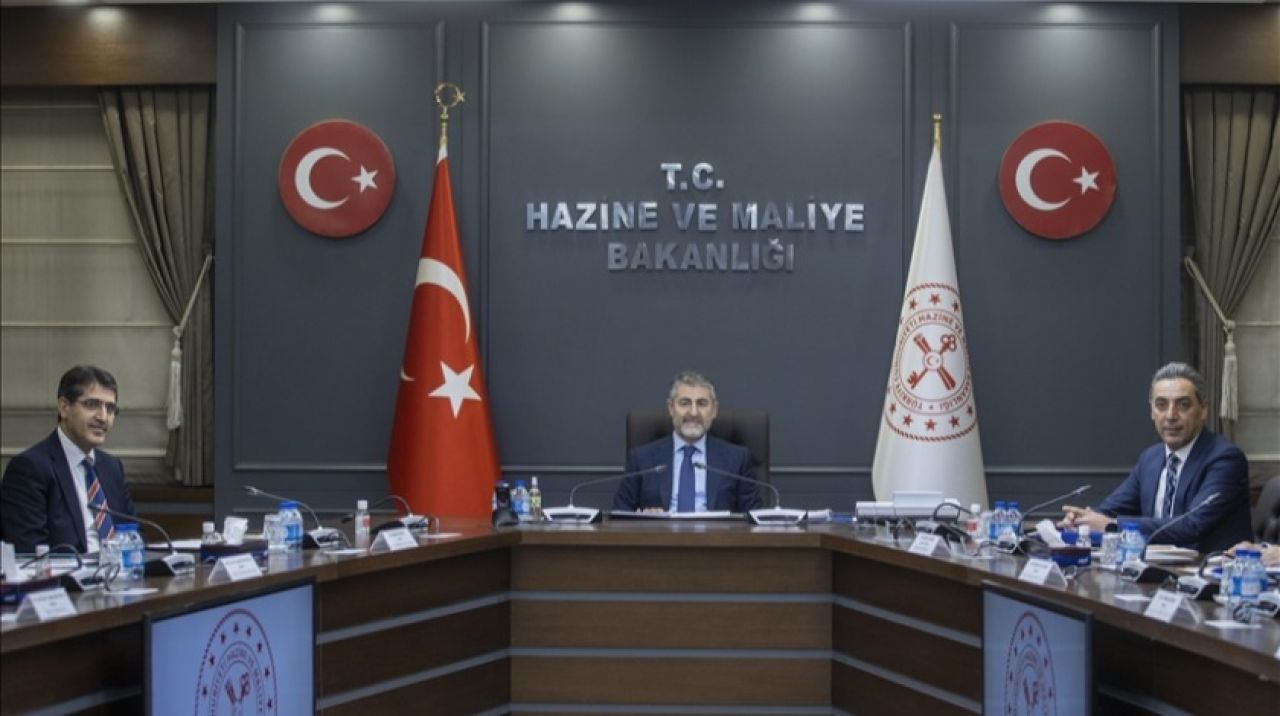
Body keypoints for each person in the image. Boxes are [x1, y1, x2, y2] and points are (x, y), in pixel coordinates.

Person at [1061, 362, 1251, 553]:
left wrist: (1112, 525)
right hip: (1154, 566)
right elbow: (1112, 509)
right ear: (1152, 411)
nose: (1170, 415)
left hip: (1210, 568)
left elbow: (1193, 525)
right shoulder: (1151, 458)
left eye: (1183, 405)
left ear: (1203, 410)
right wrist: (1082, 519)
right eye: (1161, 405)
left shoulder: (1225, 459)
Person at [1, 365, 136, 554]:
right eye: (92, 405)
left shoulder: (112, 467)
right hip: (67, 572)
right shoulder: (30, 468)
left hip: (118, 570)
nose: (103, 417)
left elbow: (132, 536)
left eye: (110, 408)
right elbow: (30, 552)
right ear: (64, 408)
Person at [613, 371, 762, 513]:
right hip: (659, 531)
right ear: (671, 408)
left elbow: (754, 516)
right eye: (684, 403)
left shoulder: (737, 459)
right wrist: (644, 519)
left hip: (716, 531)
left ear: (714, 410)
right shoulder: (642, 459)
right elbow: (620, 511)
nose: (693, 413)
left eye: (702, 404)